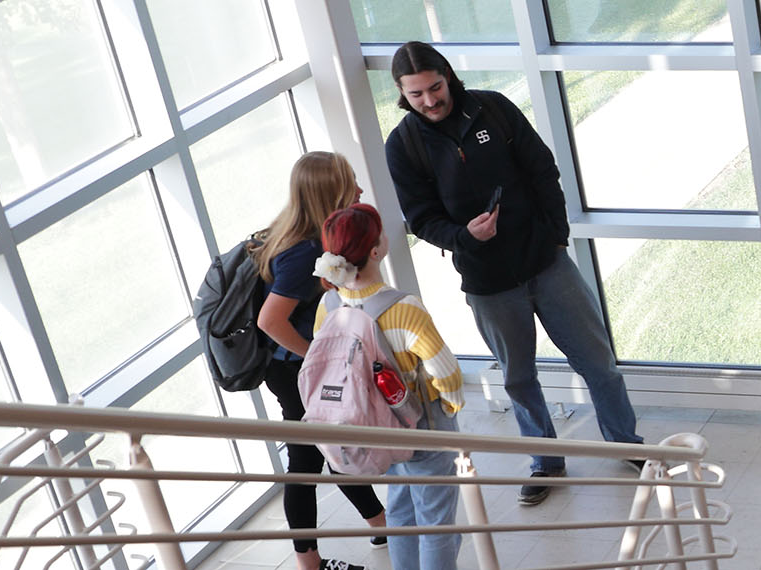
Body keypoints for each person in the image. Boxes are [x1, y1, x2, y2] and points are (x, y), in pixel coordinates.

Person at [382, 40, 645, 506]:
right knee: (518, 377)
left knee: (597, 360)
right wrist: (464, 237)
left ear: (448, 76)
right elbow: (421, 218)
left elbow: (543, 170)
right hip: (487, 282)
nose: (429, 101)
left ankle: (626, 443)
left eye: (435, 87)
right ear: (402, 93)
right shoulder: (403, 145)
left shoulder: (493, 109)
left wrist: (557, 235)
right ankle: (544, 459)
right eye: (416, 94)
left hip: (546, 262)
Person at [250, 152, 386, 570]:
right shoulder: (301, 250)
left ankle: (382, 524)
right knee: (307, 461)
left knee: (332, 446)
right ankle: (309, 562)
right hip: (294, 371)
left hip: (295, 367)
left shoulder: (298, 234)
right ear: (331, 192)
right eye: (351, 183)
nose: (359, 190)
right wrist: (318, 360)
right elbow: (270, 320)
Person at [312, 203, 466, 570]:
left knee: (400, 513)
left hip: (371, 427)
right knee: (437, 523)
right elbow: (447, 374)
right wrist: (450, 407)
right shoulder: (404, 308)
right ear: (376, 250)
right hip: (420, 424)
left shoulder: (328, 303)